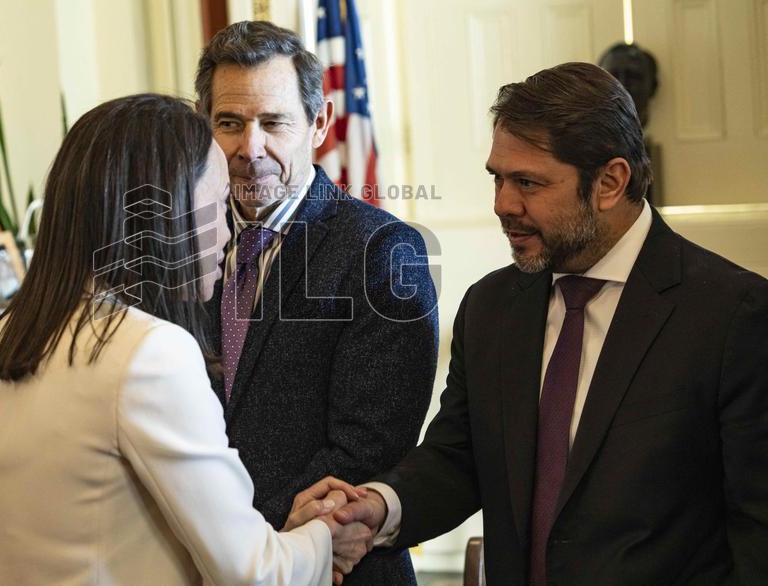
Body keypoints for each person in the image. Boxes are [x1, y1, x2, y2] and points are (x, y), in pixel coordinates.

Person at [323, 62, 768, 584]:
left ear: (610, 182)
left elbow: (757, 529)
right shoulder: (490, 308)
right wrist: (379, 506)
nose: (502, 205)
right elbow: (460, 457)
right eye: (498, 178)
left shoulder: (732, 315)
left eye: (528, 183)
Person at [0, 94, 372, 585]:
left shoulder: (8, 334)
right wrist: (325, 540)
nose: (227, 230)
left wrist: (279, 536)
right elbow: (254, 574)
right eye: (216, 202)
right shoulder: (148, 353)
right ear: (165, 213)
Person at [194, 20, 438, 584]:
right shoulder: (184, 251)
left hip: (333, 564)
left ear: (319, 123)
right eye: (229, 123)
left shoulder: (383, 251)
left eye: (273, 123)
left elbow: (368, 445)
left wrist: (257, 543)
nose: (249, 148)